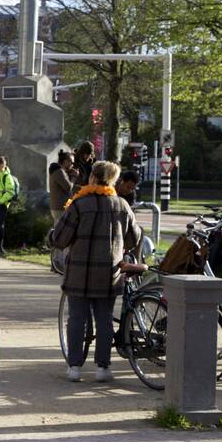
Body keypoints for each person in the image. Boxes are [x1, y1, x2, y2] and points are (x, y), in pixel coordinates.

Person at [50, 160, 141, 383]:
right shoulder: (122, 205)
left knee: (77, 319)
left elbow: (60, 238)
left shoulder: (79, 204)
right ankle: (103, 368)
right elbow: (134, 237)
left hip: (79, 273)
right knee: (104, 319)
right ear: (113, 181)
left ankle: (74, 367)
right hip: (109, 273)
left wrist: (51, 237)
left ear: (92, 177)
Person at [49, 150, 75, 223]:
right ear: (65, 161)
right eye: (71, 162)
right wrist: (74, 177)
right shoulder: (59, 172)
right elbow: (68, 187)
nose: (72, 165)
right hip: (60, 208)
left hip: (60, 207)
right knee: (61, 229)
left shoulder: (59, 171)